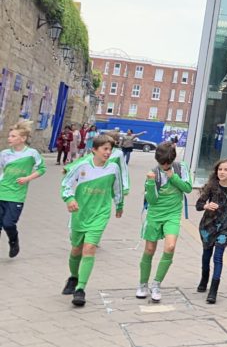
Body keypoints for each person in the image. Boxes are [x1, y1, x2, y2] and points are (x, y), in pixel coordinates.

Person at [60, 133, 123, 307]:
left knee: (89, 248)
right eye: (105, 149)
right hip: (80, 214)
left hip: (100, 214)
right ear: (94, 150)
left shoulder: (113, 168)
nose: (108, 152)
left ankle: (80, 289)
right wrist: (69, 199)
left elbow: (117, 188)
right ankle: (73, 277)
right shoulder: (81, 165)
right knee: (76, 249)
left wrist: (119, 205)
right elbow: (66, 184)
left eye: (110, 149)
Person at [137, 142, 192, 303]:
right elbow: (152, 201)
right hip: (154, 215)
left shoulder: (181, 168)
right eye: (162, 163)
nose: (164, 166)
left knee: (170, 246)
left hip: (173, 214)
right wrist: (149, 183)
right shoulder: (153, 173)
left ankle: (156, 284)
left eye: (167, 163)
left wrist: (172, 177)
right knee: (149, 249)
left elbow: (188, 188)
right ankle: (142, 284)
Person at [195, 159, 227, 304]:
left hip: (226, 227)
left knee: (218, 257)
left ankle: (213, 291)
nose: (222, 172)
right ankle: (204, 279)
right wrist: (206, 206)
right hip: (208, 226)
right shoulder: (212, 186)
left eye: (226, 170)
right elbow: (198, 205)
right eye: (220, 169)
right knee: (206, 255)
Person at [0, 122, 46, 258]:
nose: (9, 138)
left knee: (8, 223)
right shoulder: (4, 154)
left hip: (16, 195)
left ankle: (14, 241)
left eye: (13, 136)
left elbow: (42, 169)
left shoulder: (32, 154)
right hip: (1, 190)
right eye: (9, 136)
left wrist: (28, 178)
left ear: (23, 138)